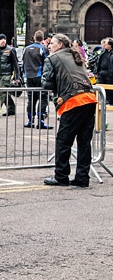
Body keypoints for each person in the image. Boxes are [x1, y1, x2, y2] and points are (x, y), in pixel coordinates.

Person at [42, 33, 97, 188]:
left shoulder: (52, 58)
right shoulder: (76, 56)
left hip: (73, 101)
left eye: (52, 43)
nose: (49, 45)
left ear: (60, 45)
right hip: (90, 98)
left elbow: (46, 83)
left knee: (63, 141)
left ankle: (61, 176)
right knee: (84, 142)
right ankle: (82, 177)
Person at [22, 30, 52, 128]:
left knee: (31, 99)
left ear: (34, 38)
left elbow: (23, 62)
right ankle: (41, 121)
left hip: (29, 76)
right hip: (39, 76)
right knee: (43, 99)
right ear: (42, 39)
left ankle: (31, 121)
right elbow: (47, 63)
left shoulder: (26, 49)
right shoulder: (43, 49)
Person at [0, 33, 20, 116]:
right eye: (1, 39)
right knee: (4, 92)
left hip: (6, 74)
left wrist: (17, 77)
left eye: (4, 39)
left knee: (2, 92)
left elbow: (15, 64)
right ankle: (11, 108)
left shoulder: (10, 50)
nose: (3, 41)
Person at [96, 38, 113, 106]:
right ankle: (105, 100)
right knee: (101, 88)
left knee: (110, 90)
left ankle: (110, 101)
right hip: (101, 73)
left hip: (109, 74)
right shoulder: (103, 52)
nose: (104, 44)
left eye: (106, 43)